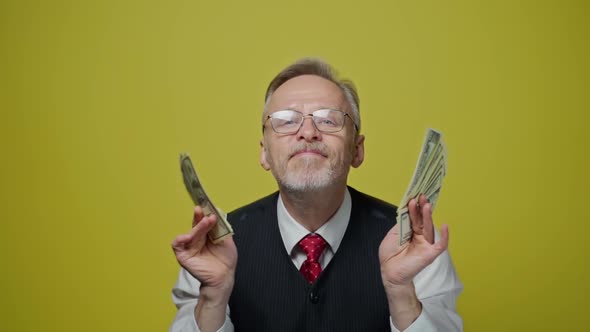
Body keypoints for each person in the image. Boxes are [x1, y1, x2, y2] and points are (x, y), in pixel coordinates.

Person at [170, 58, 463, 332]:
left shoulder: (414, 244)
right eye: (285, 120)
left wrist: (402, 293)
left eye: (329, 119)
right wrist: (212, 300)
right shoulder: (214, 248)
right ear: (264, 153)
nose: (307, 131)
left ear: (356, 150)